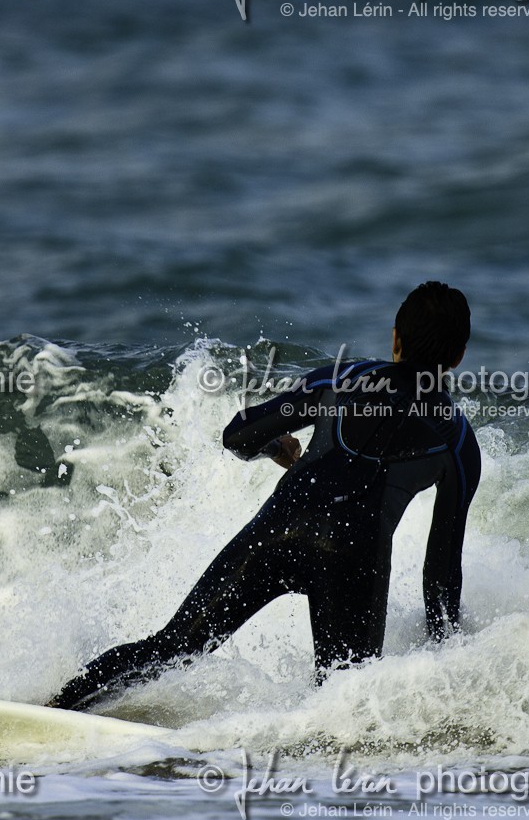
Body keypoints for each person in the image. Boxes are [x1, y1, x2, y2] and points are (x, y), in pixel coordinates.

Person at [49, 281, 481, 712]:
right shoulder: (458, 442)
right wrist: (446, 664)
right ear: (458, 356)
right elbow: (440, 575)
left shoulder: (341, 378)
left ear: (395, 338)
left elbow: (238, 435)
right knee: (345, 706)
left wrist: (276, 448)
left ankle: (56, 710)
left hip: (278, 529)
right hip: (353, 560)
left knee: (171, 647)